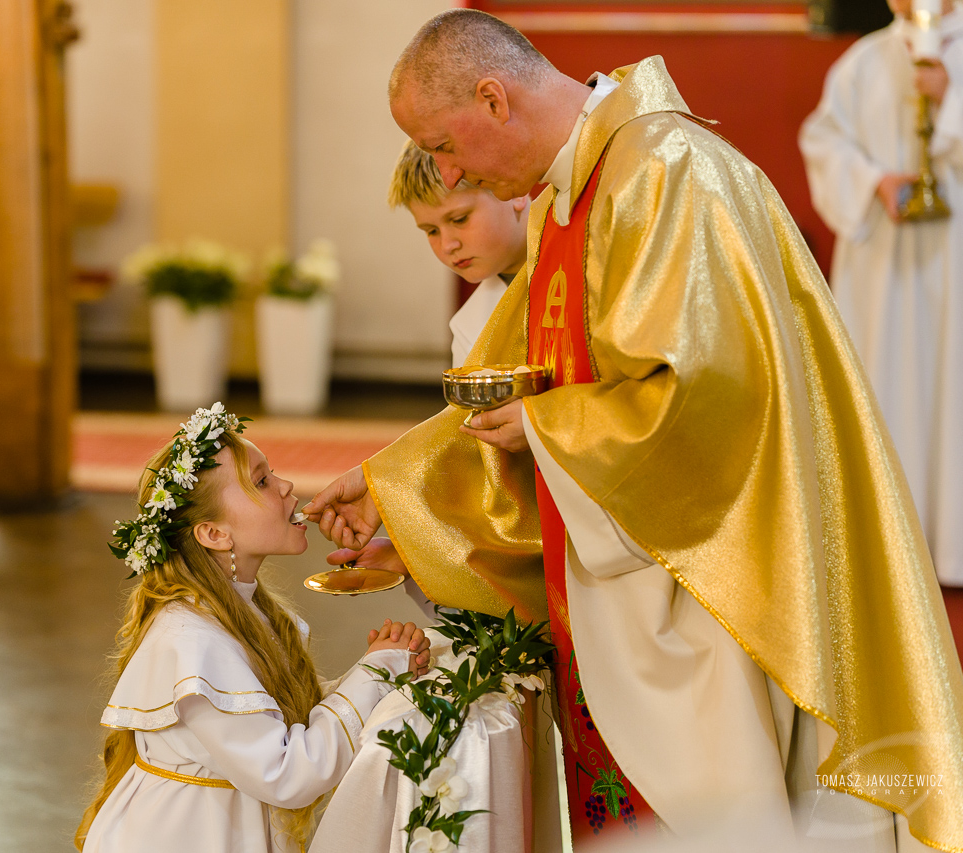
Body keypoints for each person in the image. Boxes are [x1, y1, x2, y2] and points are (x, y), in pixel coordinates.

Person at [304, 9, 963, 850]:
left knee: (712, 814)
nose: (445, 168)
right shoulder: (567, 197)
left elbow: (706, 400)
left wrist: (544, 426)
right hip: (621, 586)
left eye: (441, 143)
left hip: (705, 587)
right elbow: (515, 384)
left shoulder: (665, 173)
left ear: (493, 99)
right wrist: (399, 494)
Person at [76, 404, 431, 853]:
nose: (286, 487)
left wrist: (378, 673)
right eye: (261, 481)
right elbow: (285, 774)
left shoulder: (239, 609)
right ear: (215, 534)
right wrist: (372, 676)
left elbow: (278, 717)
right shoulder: (191, 641)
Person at [800, 0, 963, 585]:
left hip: (954, 261)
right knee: (891, 381)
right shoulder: (862, 62)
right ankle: (897, 543)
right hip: (887, 268)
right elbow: (823, 141)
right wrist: (872, 182)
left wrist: (951, 103)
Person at [388, 138, 528, 367]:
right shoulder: (469, 327)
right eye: (431, 231)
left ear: (514, 190)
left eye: (459, 219)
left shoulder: (585, 254)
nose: (447, 245)